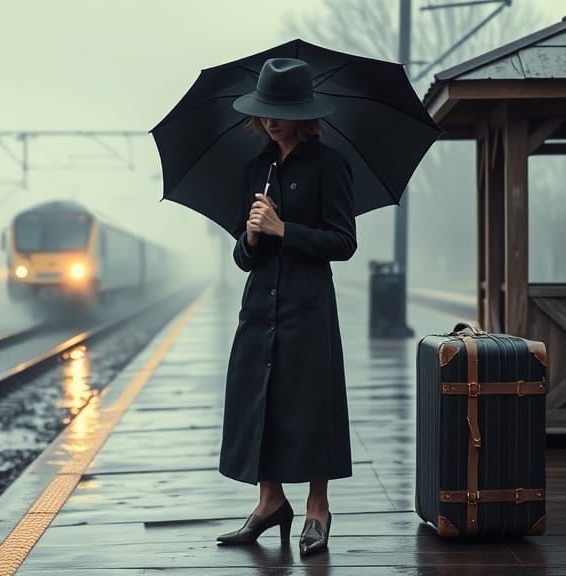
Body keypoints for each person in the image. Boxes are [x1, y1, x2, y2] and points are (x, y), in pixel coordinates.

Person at [215, 57, 356, 558]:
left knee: (310, 402)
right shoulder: (255, 168)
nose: (271, 120)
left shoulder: (330, 165)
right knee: (261, 400)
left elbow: (343, 241)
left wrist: (283, 230)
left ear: (304, 112)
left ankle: (318, 508)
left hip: (309, 304)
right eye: (265, 110)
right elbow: (241, 255)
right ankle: (270, 501)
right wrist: (252, 237)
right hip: (260, 307)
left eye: (280, 110)